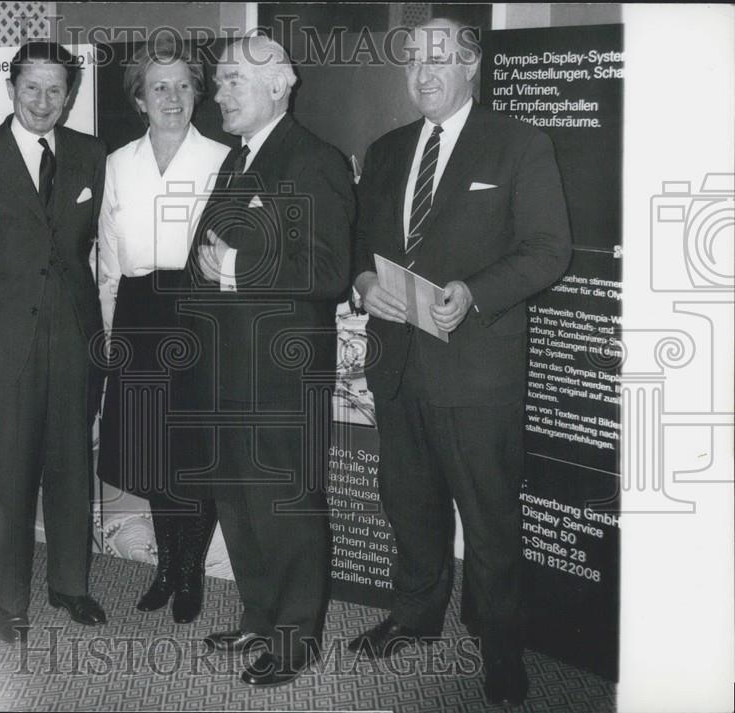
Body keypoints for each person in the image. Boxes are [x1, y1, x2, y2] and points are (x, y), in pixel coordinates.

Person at [347, 19, 572, 705]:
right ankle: (414, 617)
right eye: (413, 59)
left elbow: (548, 250)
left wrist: (475, 293)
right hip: (398, 366)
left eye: (439, 59)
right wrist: (364, 287)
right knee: (408, 506)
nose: (423, 72)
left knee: (491, 520)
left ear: (472, 66)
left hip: (477, 372)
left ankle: (501, 651)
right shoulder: (385, 151)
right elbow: (360, 247)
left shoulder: (518, 143)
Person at [181, 35, 354, 686]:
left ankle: (296, 638)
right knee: (240, 502)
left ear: (280, 84)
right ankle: (259, 613)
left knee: (285, 504)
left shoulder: (314, 161)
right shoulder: (236, 160)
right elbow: (205, 256)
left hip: (281, 373)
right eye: (218, 82)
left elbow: (330, 268)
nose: (217, 94)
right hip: (227, 367)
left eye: (231, 82)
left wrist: (235, 268)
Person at [0, 41, 107, 644]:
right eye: (31, 87)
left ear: (71, 94)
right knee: (9, 479)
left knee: (70, 469)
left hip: (77, 339)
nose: (43, 101)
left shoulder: (91, 155)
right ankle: (10, 601)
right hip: (6, 345)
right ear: (11, 89)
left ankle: (70, 585)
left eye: (56, 89)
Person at [95, 37, 229, 623]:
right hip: (138, 314)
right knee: (151, 451)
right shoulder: (118, 163)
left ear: (198, 92)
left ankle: (191, 570)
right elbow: (106, 255)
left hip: (202, 314)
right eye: (159, 87)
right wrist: (110, 334)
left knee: (192, 456)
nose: (172, 97)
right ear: (139, 100)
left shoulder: (226, 160)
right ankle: (166, 566)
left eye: (182, 85)